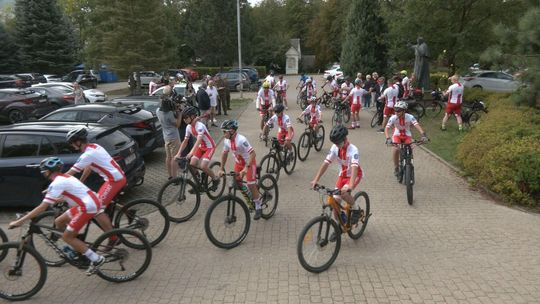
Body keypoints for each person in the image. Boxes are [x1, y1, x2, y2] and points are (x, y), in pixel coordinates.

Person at [9, 157, 105, 275]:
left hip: (87, 206)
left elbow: (42, 207)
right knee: (59, 221)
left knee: (67, 237)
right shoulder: (64, 177)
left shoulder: (57, 183)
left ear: (49, 171)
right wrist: (52, 196)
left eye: (43, 171)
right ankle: (78, 246)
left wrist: (20, 221)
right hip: (87, 202)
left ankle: (96, 259)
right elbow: (69, 194)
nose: (42, 173)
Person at [65, 127, 126, 240]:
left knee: (96, 208)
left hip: (114, 181)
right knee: (97, 198)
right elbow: (89, 167)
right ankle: (127, 211)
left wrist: (56, 186)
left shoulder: (87, 155)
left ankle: (113, 238)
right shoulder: (95, 147)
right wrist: (81, 182)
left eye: (72, 143)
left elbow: (70, 173)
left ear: (78, 142)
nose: (72, 146)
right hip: (116, 177)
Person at [310, 125, 364, 226]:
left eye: (339, 142)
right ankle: (343, 226)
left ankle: (357, 209)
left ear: (345, 139)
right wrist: (315, 180)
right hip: (342, 175)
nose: (337, 145)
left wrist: (350, 186)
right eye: (335, 143)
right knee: (335, 207)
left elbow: (354, 168)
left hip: (354, 175)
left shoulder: (353, 150)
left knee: (344, 194)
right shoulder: (335, 147)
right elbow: (326, 163)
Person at [218, 120, 264, 220]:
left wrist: (246, 168)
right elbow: (224, 154)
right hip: (238, 164)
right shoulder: (227, 141)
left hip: (249, 163)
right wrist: (221, 168)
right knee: (236, 183)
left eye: (225, 131)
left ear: (232, 131)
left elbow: (253, 154)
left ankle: (258, 205)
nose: (223, 134)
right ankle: (251, 197)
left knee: (250, 184)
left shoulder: (241, 140)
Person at [174, 106, 220, 190]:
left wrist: (191, 152)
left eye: (186, 118)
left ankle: (215, 179)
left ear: (192, 117)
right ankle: (198, 180)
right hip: (201, 147)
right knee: (192, 164)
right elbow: (185, 141)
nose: (184, 120)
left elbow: (198, 140)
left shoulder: (200, 126)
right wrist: (178, 153)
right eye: (183, 118)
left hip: (209, 147)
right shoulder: (188, 127)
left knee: (203, 166)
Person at [384, 101, 428, 176]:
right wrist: (388, 138)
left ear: (404, 111)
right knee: (395, 149)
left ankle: (409, 163)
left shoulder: (410, 117)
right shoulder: (393, 117)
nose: (396, 112)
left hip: (407, 135)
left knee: (409, 149)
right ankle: (396, 167)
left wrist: (423, 134)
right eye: (395, 110)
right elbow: (386, 128)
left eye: (399, 111)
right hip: (397, 135)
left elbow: (416, 125)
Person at [156, 86, 181, 179]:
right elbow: (177, 124)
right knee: (175, 158)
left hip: (166, 137)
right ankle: (175, 178)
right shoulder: (170, 114)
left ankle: (170, 175)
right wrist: (180, 114)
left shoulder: (158, 111)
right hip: (174, 137)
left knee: (168, 157)